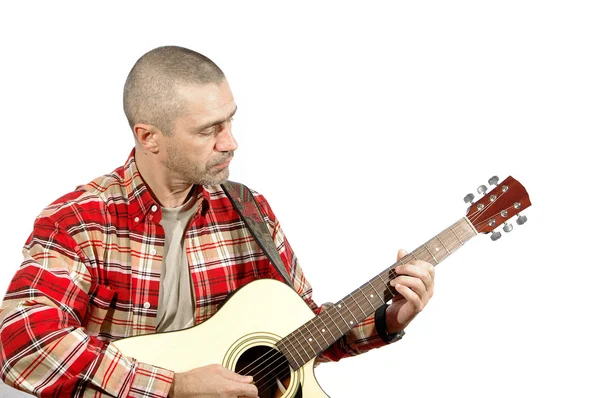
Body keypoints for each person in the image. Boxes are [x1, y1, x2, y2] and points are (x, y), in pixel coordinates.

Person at [0, 46, 435, 398]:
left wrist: (388, 319)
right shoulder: (80, 220)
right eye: (209, 130)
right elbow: (23, 342)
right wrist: (175, 387)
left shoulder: (250, 211)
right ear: (149, 137)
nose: (231, 142)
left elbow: (300, 335)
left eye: (231, 120)